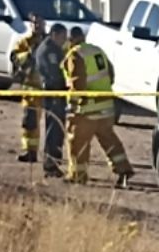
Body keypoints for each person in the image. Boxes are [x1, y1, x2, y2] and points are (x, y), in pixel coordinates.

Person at [62, 26, 134, 188]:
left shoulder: (75, 55)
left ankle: (77, 175)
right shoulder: (97, 51)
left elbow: (77, 84)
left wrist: (72, 106)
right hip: (107, 107)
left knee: (77, 142)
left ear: (70, 40)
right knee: (109, 139)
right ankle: (123, 169)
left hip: (87, 109)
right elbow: (111, 74)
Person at [9, 14, 46, 163]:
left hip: (49, 90)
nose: (37, 26)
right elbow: (15, 57)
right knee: (29, 123)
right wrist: (29, 55)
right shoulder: (25, 42)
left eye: (39, 23)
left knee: (54, 126)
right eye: (34, 23)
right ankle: (30, 152)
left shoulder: (50, 41)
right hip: (31, 91)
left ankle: (53, 156)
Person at [33, 23, 69, 178]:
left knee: (58, 130)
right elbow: (54, 74)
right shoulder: (48, 50)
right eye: (63, 37)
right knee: (53, 131)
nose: (64, 40)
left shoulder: (54, 49)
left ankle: (53, 162)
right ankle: (50, 164)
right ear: (55, 34)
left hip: (57, 95)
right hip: (53, 95)